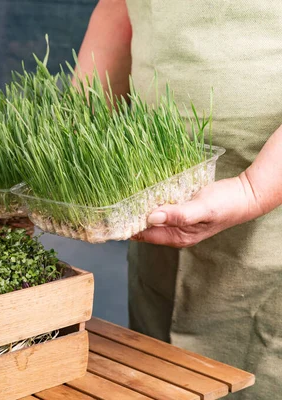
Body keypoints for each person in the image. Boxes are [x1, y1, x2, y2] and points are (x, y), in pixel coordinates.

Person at [74, 1, 282, 398]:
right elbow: (120, 9)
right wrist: (76, 136)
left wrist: (254, 189)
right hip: (155, 193)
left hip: (272, 217)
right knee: (157, 372)